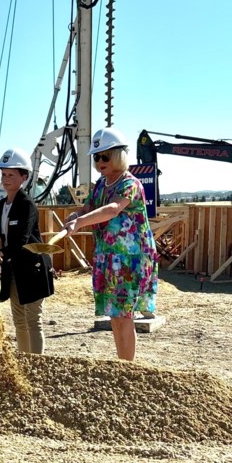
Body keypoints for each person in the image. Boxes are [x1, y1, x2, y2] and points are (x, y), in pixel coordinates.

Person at [62, 127, 158, 361]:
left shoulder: (130, 184)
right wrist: (76, 216)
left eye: (105, 156)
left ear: (119, 155)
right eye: (97, 157)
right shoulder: (101, 185)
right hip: (109, 258)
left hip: (130, 260)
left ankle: (128, 367)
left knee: (124, 315)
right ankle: (123, 363)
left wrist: (82, 221)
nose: (100, 161)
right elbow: (89, 208)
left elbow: (113, 209)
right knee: (116, 315)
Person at [0, 148, 54, 354]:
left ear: (24, 177)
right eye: (4, 174)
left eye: (11, 175)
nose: (6, 179)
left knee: (33, 319)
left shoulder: (27, 205)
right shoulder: (2, 204)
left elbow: (22, 240)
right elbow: (8, 237)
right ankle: (23, 361)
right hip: (14, 269)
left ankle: (36, 366)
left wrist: (0, 254)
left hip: (31, 268)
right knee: (19, 319)